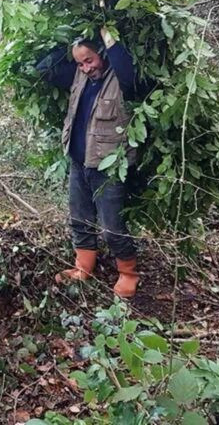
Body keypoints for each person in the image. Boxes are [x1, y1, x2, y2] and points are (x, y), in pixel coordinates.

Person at [36, 27, 142, 298]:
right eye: (80, 62)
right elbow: (43, 69)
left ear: (104, 54)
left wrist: (107, 35)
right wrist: (70, 38)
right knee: (79, 218)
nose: (85, 68)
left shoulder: (122, 81)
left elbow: (128, 69)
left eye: (90, 60)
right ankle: (83, 267)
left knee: (111, 226)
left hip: (108, 167)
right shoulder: (78, 77)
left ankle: (129, 273)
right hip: (79, 161)